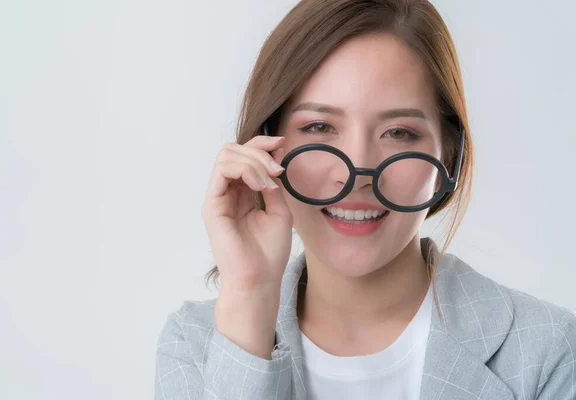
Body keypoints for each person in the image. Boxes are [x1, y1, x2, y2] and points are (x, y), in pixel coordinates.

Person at [154, 0, 576, 399]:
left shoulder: (547, 351)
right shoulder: (195, 345)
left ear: (447, 153)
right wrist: (249, 295)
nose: (356, 172)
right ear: (265, 145)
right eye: (319, 127)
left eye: (398, 133)